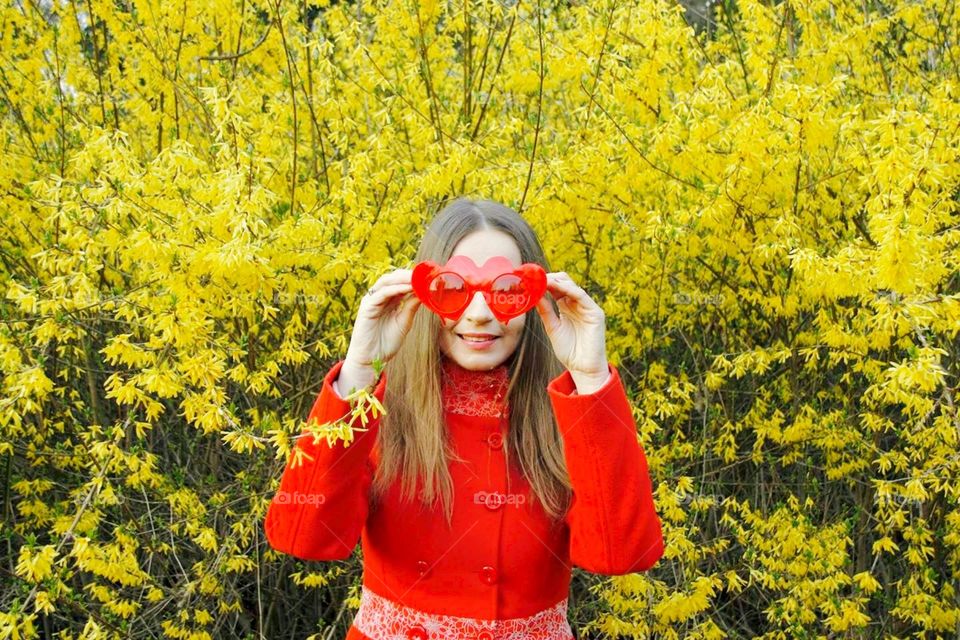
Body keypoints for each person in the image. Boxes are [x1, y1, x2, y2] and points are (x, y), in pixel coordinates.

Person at [264, 198, 664, 640]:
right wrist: (360, 370)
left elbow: (623, 554)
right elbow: (302, 537)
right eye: (454, 289)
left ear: (535, 298)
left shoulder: (568, 410)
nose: (479, 314)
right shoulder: (380, 407)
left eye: (506, 290)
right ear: (423, 294)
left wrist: (590, 377)